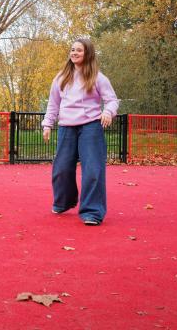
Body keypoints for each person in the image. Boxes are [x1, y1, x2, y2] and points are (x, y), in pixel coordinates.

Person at [42, 38, 119, 226]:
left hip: (91, 127)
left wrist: (108, 112)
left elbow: (112, 100)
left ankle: (92, 211)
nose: (74, 53)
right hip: (67, 127)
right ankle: (64, 201)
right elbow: (53, 104)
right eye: (72, 50)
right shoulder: (61, 77)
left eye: (79, 50)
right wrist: (47, 124)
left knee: (93, 170)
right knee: (61, 169)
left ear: (88, 54)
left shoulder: (98, 77)